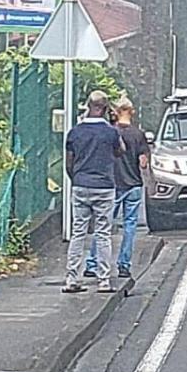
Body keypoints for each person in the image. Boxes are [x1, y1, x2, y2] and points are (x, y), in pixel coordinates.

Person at [63, 91, 124, 294]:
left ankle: (72, 278)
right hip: (104, 187)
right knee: (103, 233)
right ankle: (103, 280)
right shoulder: (110, 133)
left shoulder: (75, 132)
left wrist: (77, 180)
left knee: (78, 232)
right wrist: (114, 124)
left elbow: (68, 164)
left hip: (81, 185)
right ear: (106, 109)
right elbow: (120, 151)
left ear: (88, 106)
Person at [85, 97, 148, 279]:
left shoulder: (110, 132)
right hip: (134, 184)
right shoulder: (138, 134)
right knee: (130, 226)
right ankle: (124, 265)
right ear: (132, 111)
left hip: (112, 184)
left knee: (103, 225)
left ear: (115, 111)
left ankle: (92, 263)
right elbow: (143, 163)